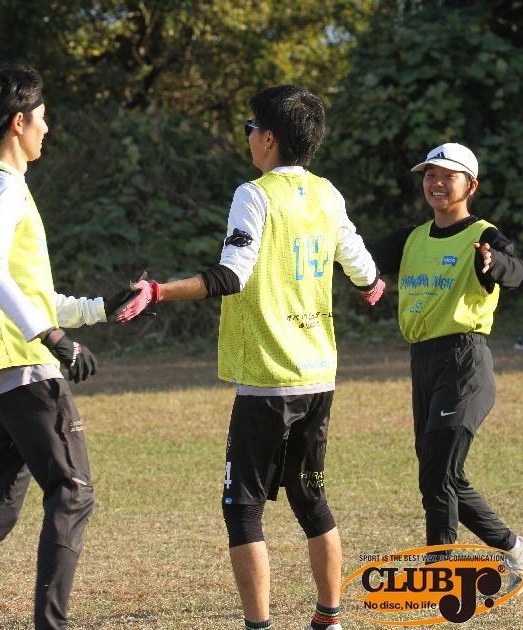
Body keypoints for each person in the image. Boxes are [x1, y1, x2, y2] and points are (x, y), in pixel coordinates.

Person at [119, 84, 383, 630]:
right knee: (311, 500)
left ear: (268, 139)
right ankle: (329, 619)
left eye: (250, 128)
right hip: (318, 376)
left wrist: (159, 291)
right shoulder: (328, 194)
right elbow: (360, 264)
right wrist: (372, 286)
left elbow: (233, 275)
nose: (248, 137)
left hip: (268, 378)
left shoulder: (255, 194)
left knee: (242, 509)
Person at [0, 63, 142, 630]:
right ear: (19, 121)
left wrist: (96, 309)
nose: (47, 127)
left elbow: (30, 291)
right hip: (24, 368)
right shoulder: (3, 185)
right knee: (73, 491)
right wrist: (51, 336)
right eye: (42, 117)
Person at [366, 142, 523, 574]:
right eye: (430, 175)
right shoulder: (413, 238)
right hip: (422, 362)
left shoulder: (484, 236)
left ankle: (439, 571)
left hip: (464, 362)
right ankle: (514, 547)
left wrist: (493, 264)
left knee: (438, 475)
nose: (436, 183)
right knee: (441, 474)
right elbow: (357, 256)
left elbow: (516, 271)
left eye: (447, 176)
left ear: (471, 186)